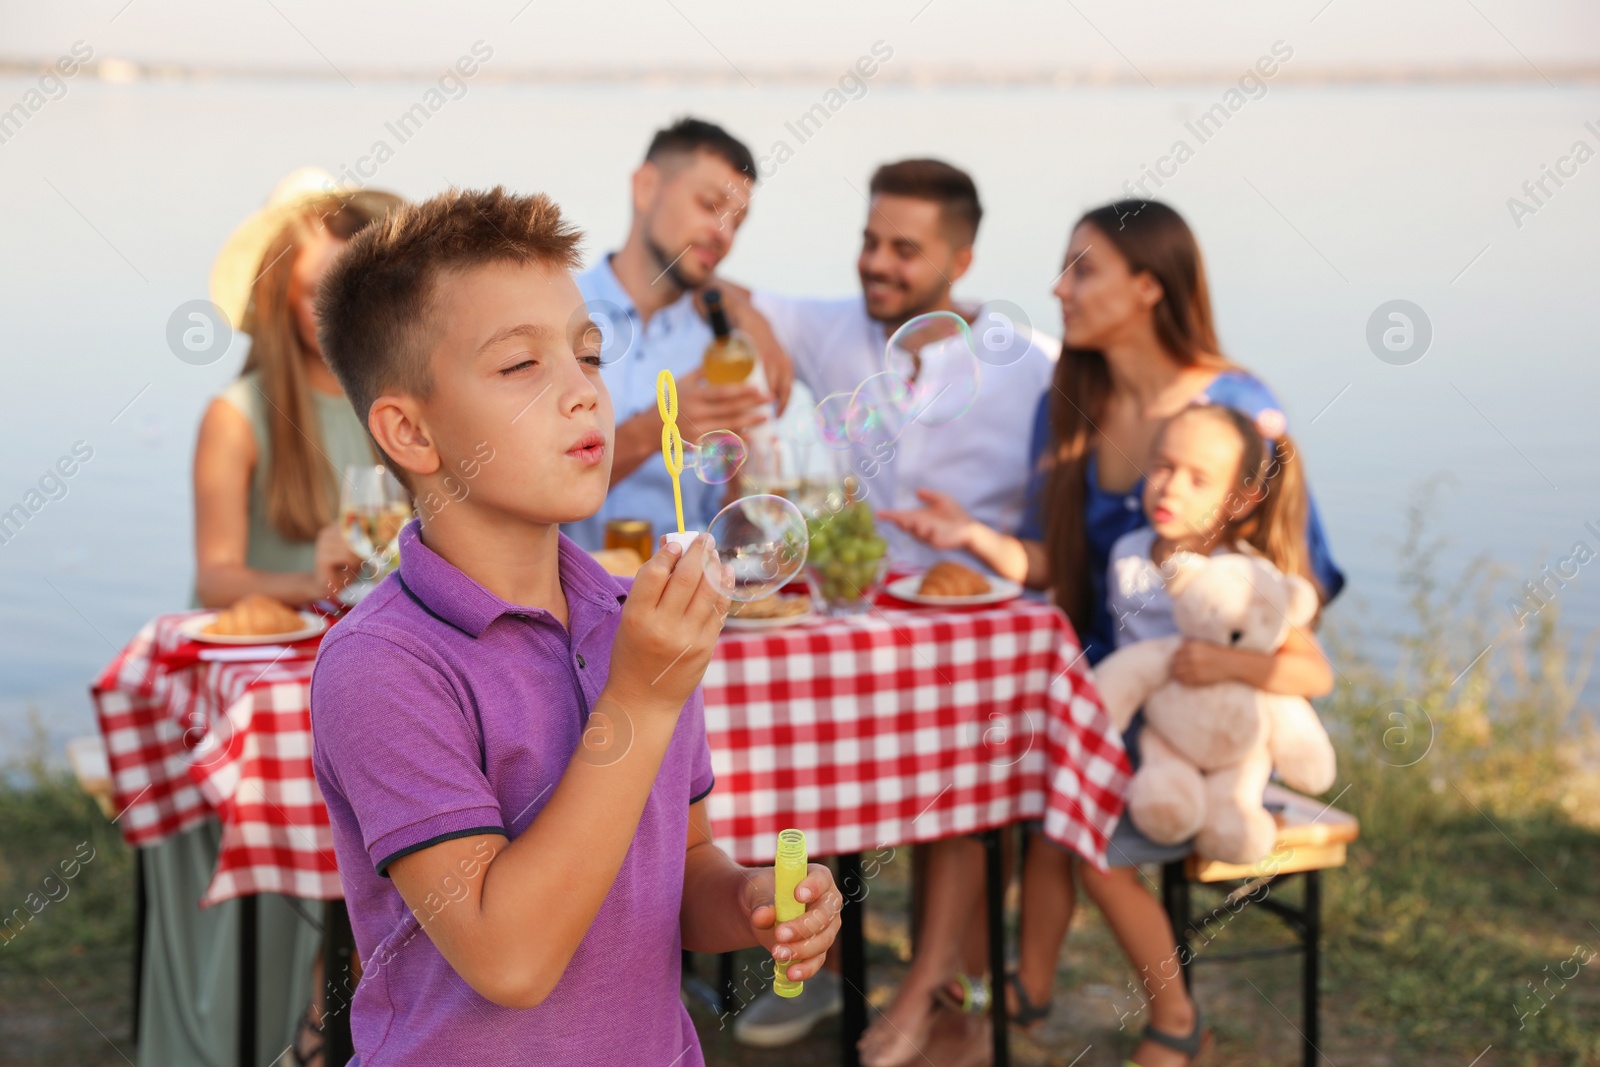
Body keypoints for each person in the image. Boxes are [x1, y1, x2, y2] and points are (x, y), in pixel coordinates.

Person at [308, 186, 842, 1064]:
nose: (583, 393)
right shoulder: (384, 665)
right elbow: (508, 958)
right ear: (409, 430)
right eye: (522, 366)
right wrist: (640, 697)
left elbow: (677, 870)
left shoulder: (626, 618)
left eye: (588, 355)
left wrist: (751, 897)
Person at [882, 199, 1344, 1066]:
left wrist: (1216, 664)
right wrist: (973, 539)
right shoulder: (1076, 396)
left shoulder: (1234, 408)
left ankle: (991, 1005)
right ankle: (981, 998)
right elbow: (1066, 567)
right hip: (1100, 691)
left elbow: (1288, 591)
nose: (1058, 288)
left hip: (1209, 708)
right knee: (966, 756)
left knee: (1033, 790)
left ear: (1148, 286)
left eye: (1082, 269)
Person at [718, 159, 1057, 1060]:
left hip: (975, 642)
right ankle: (812, 958)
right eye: (870, 240)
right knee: (761, 737)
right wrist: (753, 326)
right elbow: (710, 275)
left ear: (962, 258)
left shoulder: (1027, 367)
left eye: (904, 250)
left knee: (977, 780)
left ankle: (937, 997)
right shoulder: (839, 327)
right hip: (854, 630)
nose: (877, 263)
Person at [140, 171, 400, 1067]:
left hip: (367, 666)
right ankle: (316, 1024)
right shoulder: (239, 414)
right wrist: (306, 577)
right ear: (278, 297)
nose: (327, 309)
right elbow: (216, 575)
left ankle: (367, 1016)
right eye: (309, 291)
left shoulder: (394, 409)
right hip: (262, 674)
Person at [566, 117, 792, 551]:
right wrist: (654, 431)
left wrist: (752, 485)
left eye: (738, 222)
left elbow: (733, 530)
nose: (724, 235)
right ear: (646, 187)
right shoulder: (558, 314)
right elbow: (519, 495)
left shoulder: (723, 348)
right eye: (710, 205)